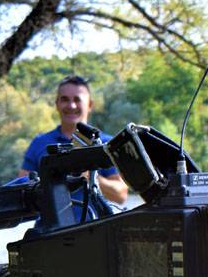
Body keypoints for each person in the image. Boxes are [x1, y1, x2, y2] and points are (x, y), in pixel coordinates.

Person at [19, 75, 128, 206]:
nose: (71, 105)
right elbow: (20, 192)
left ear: (90, 105)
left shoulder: (108, 144)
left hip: (98, 225)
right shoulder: (39, 142)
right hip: (50, 226)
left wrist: (87, 176)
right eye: (64, 99)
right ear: (57, 104)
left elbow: (121, 195)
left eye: (77, 100)